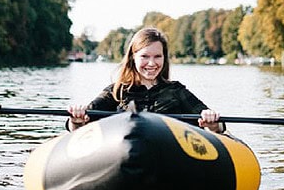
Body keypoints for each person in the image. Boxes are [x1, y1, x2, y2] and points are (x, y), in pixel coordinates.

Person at [67, 27, 224, 133]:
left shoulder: (176, 91)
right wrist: (77, 119)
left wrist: (213, 122)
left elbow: (216, 123)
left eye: (157, 56)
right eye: (145, 56)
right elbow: (79, 123)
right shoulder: (116, 91)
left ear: (164, 58)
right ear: (133, 57)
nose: (151, 63)